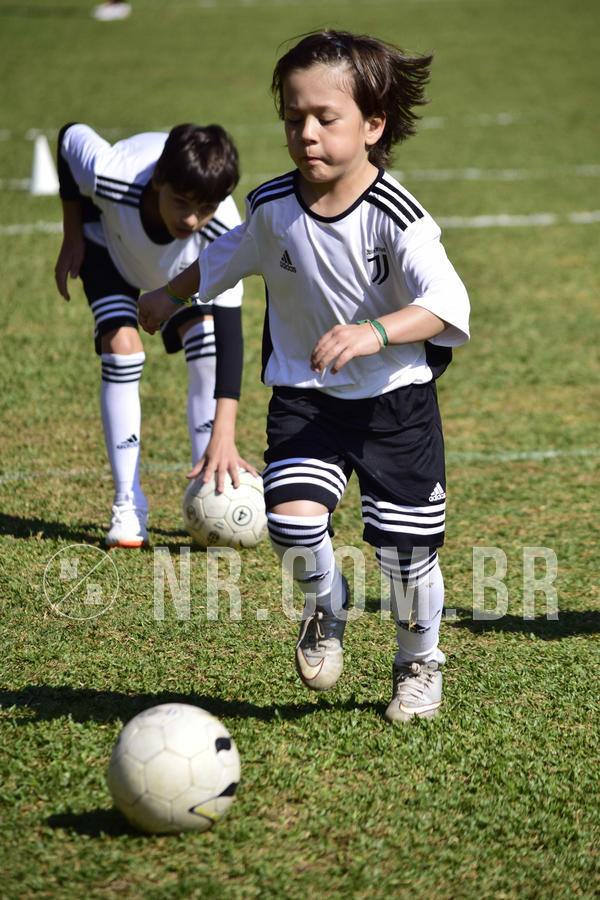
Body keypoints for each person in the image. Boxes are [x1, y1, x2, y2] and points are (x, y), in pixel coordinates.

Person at [138, 30, 470, 722]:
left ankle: (418, 663)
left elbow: (447, 304)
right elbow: (223, 258)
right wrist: (170, 296)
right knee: (290, 525)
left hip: (394, 402)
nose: (306, 133)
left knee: (406, 558)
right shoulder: (272, 208)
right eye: (294, 119)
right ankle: (328, 605)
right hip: (306, 396)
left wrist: (374, 331)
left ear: (373, 126)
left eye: (325, 118)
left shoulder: (398, 217)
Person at [56, 122, 252, 548]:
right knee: (123, 350)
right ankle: (128, 505)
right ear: (157, 181)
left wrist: (226, 433)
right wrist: (72, 230)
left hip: (184, 272)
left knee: (208, 345)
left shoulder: (225, 231)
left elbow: (232, 334)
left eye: (206, 208)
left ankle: (209, 490)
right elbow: (70, 137)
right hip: (109, 250)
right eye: (180, 203)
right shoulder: (112, 173)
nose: (191, 219)